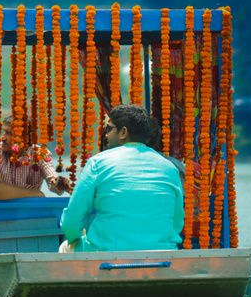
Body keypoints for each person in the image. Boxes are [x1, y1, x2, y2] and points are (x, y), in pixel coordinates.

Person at [59, 104, 183, 252]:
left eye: (109, 129)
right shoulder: (169, 168)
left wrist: (75, 236)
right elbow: (176, 222)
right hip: (163, 254)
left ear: (123, 132)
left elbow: (72, 220)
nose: (106, 135)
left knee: (66, 247)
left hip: (108, 256)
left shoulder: (97, 163)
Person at [0, 118, 70, 195]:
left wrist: (57, 182)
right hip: (2, 205)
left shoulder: (40, 154)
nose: (3, 138)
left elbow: (51, 175)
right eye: (4, 132)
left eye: (9, 133)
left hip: (28, 206)